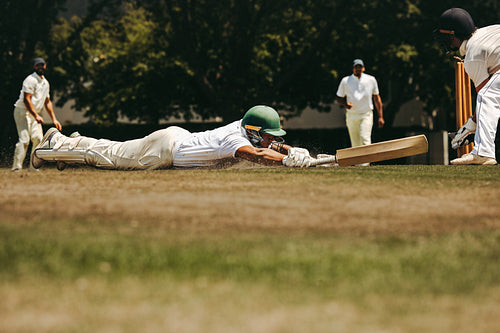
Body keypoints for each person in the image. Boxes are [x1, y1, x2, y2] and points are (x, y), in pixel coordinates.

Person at [31, 105, 319, 170]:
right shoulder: (236, 140)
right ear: (255, 131)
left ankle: (74, 142)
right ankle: (56, 143)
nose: (274, 141)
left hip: (175, 140)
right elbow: (257, 154)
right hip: (164, 151)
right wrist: (286, 161)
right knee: (109, 156)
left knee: (112, 150)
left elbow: (271, 146)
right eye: (270, 136)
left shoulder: (247, 130)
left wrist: (297, 151)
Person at [434, 8, 499, 165]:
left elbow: (485, 99)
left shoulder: (473, 55)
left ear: (453, 35)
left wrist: (470, 125)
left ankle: (483, 152)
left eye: (445, 37)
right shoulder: (487, 32)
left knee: (486, 97)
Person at [11, 57, 62, 171]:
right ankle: (16, 167)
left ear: (45, 66)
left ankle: (33, 167)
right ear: (34, 67)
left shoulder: (45, 83)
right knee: (24, 140)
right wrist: (36, 116)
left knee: (39, 139)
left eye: (42, 65)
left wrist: (54, 119)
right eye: (38, 65)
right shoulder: (30, 80)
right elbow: (26, 99)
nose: (40, 67)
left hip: (35, 114)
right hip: (22, 112)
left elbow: (47, 101)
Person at [335, 59, 384, 154]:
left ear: (363, 68)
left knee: (364, 139)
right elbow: (338, 98)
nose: (358, 69)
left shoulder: (371, 80)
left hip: (366, 114)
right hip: (351, 115)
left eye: (360, 67)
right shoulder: (346, 81)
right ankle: (359, 167)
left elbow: (377, 98)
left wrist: (381, 116)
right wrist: (346, 105)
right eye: (356, 67)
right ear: (353, 69)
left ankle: (366, 166)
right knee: (355, 144)